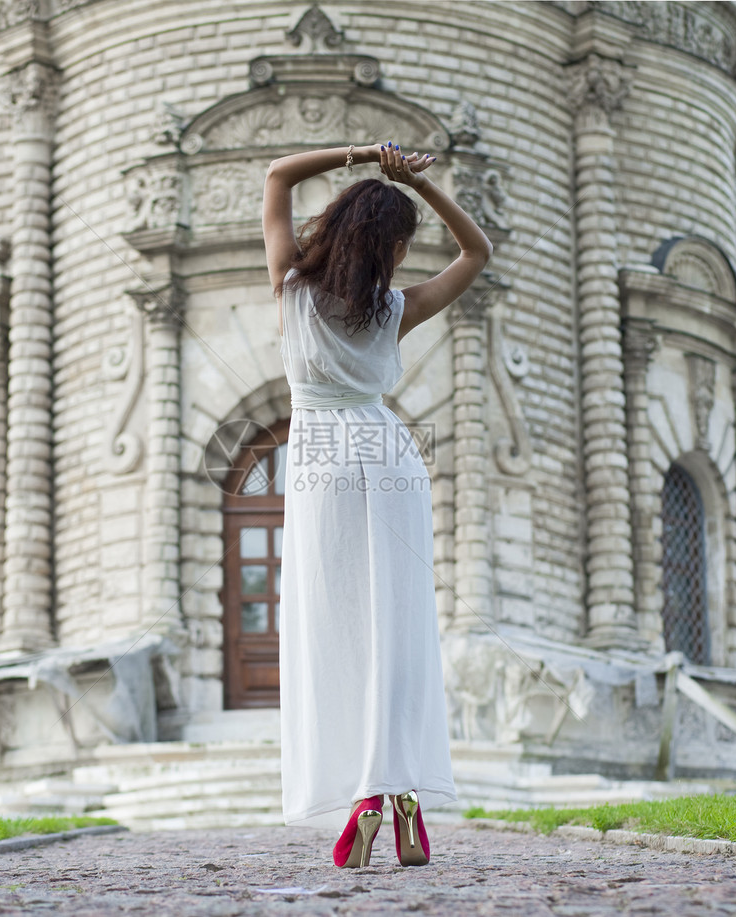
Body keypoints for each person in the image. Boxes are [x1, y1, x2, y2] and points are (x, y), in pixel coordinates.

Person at [262, 142, 493, 868]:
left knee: (337, 633)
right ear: (391, 248)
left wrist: (363, 153)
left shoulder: (291, 291)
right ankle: (401, 803)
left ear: (335, 229)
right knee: (397, 629)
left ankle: (366, 793)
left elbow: (277, 177)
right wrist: (419, 184)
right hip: (389, 454)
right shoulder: (396, 309)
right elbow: (477, 250)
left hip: (322, 462)